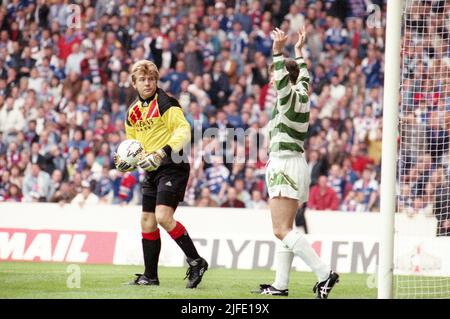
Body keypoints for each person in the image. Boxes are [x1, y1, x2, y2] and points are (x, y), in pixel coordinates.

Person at [255, 27, 339, 298]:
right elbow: (305, 76)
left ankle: (324, 273)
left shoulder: (288, 98)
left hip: (284, 164)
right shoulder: (301, 93)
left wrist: (278, 52)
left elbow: (284, 80)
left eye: (273, 76)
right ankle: (280, 285)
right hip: (294, 163)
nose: (271, 81)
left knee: (280, 229)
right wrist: (299, 52)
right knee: (286, 229)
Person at [113, 60, 208, 288]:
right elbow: (134, 143)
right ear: (134, 83)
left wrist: (162, 152)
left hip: (173, 165)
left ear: (156, 81)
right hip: (151, 170)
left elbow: (185, 131)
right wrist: (127, 160)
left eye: (151, 79)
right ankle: (150, 276)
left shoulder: (166, 103)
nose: (148, 83)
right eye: (143, 80)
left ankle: (196, 262)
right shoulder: (132, 112)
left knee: (163, 217)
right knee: (147, 221)